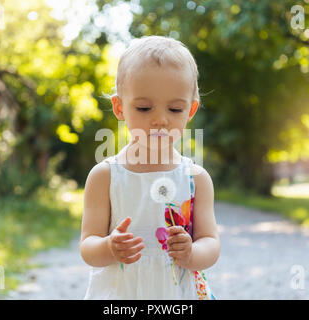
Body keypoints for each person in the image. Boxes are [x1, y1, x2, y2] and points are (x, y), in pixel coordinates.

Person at [80, 35, 220, 299]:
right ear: (119, 107)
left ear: (190, 111)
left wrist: (191, 253)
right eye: (144, 108)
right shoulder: (105, 177)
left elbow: (211, 243)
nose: (160, 120)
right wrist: (109, 247)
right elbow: (88, 245)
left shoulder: (196, 178)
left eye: (175, 109)